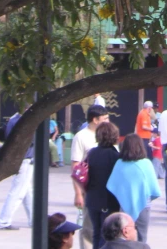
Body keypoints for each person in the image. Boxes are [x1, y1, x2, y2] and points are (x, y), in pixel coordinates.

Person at [106, 134, 160, 243]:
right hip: (144, 206)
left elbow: (112, 185)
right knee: (142, 237)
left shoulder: (119, 163)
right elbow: (153, 188)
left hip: (124, 206)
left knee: (123, 237)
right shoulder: (146, 163)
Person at [72, 105, 110, 249]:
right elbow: (76, 168)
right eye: (105, 118)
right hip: (89, 191)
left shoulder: (107, 135)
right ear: (95, 120)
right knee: (89, 228)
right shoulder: (81, 137)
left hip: (107, 191)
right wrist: (78, 194)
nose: (108, 121)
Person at [86, 120, 121, 249]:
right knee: (107, 235)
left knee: (96, 232)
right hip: (108, 200)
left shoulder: (92, 153)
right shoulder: (115, 156)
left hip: (92, 198)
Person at [0, 111, 34, 230]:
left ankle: (35, 219)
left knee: (27, 192)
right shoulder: (24, 120)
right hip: (25, 159)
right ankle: (4, 221)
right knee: (18, 192)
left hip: (22, 159)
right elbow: (32, 140)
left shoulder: (13, 120)